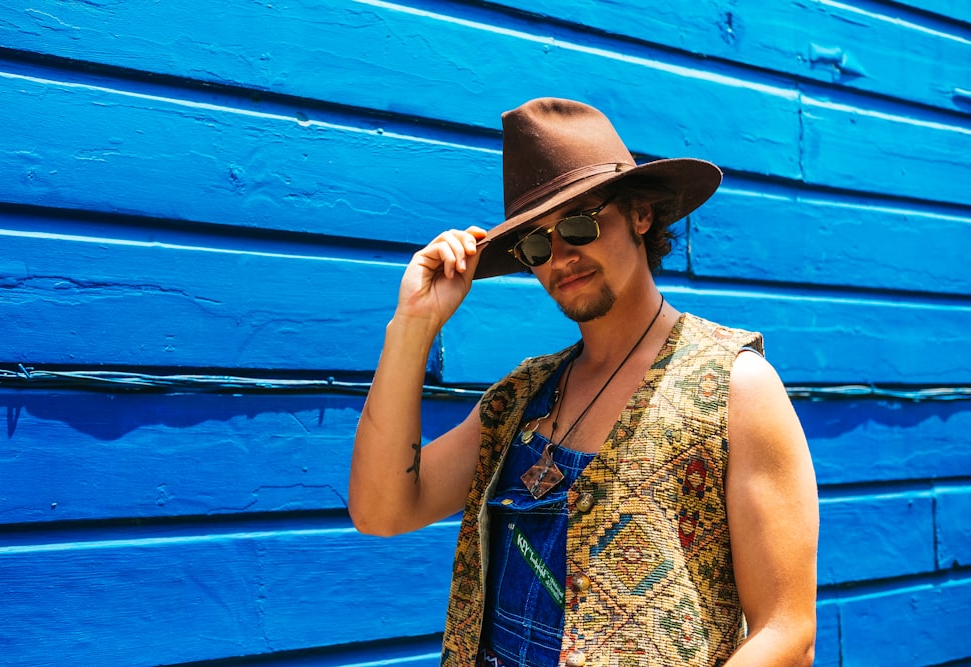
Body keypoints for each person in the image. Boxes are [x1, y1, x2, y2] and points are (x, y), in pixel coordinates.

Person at [349, 97, 818, 667]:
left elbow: (787, 632)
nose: (561, 257)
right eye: (537, 244)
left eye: (578, 223)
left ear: (640, 215)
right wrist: (412, 326)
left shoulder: (733, 385)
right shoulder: (519, 399)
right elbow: (381, 511)